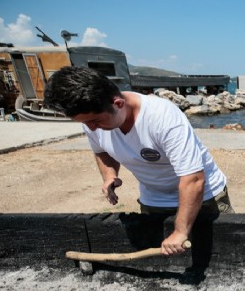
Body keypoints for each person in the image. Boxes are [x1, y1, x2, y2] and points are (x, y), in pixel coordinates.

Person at [44, 66, 234, 256]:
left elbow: (193, 179)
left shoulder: (162, 116)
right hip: (154, 199)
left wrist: (180, 231)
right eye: (85, 124)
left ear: (118, 103)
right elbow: (101, 151)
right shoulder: (93, 122)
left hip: (205, 197)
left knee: (225, 251)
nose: (92, 129)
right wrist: (110, 175)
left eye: (96, 121)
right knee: (163, 260)